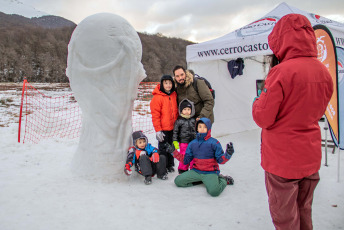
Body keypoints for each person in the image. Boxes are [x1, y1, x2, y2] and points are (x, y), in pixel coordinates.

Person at [252, 14, 333, 230]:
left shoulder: (280, 72)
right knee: (304, 210)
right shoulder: (323, 71)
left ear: (281, 39)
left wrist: (256, 102)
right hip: (310, 155)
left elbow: (263, 118)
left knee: (285, 217)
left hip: (282, 160)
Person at [165, 117, 235, 197]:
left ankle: (223, 179)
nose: (202, 129)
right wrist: (173, 152)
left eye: (205, 127)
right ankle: (201, 180)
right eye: (200, 127)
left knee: (214, 192)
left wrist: (228, 154)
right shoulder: (192, 144)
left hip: (210, 172)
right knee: (178, 181)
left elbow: (220, 160)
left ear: (209, 129)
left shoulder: (214, 143)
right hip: (196, 171)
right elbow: (185, 160)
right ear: (197, 128)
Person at [150, 75, 179, 172]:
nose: (168, 85)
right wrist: (158, 130)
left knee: (172, 147)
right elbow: (155, 115)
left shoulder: (174, 94)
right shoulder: (157, 98)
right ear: (162, 84)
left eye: (170, 83)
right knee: (163, 148)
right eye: (166, 83)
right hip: (163, 129)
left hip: (173, 127)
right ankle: (162, 166)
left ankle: (170, 164)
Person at [172, 98, 196, 174]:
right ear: (181, 110)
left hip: (193, 142)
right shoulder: (179, 121)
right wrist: (175, 141)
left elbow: (196, 131)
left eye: (188, 109)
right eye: (185, 109)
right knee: (184, 156)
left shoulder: (193, 120)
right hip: (183, 143)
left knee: (193, 156)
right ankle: (183, 170)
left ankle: (193, 169)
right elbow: (175, 132)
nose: (186, 111)